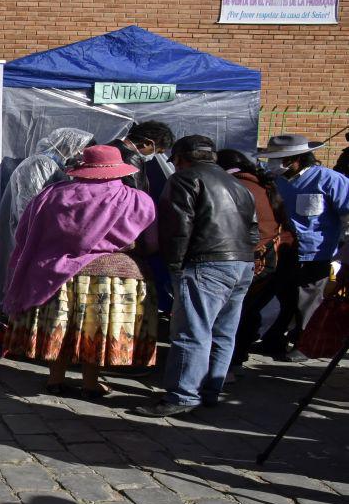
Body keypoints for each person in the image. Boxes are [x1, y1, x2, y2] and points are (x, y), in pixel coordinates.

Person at [4, 145, 158, 398]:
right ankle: (90, 382)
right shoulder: (137, 199)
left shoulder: (52, 195)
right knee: (95, 329)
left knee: (63, 326)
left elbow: (26, 232)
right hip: (115, 275)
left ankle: (55, 378)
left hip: (57, 273)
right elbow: (151, 243)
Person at [133, 135, 258, 418]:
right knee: (223, 332)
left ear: (180, 159)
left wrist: (175, 266)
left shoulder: (185, 179)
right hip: (240, 263)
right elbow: (252, 230)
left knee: (192, 331)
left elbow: (177, 226)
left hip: (205, 262)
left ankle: (183, 395)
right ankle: (210, 390)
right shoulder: (238, 184)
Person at [258, 134, 349, 362]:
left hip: (315, 252)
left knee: (307, 300)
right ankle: (275, 339)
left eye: (279, 159)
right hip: (282, 250)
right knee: (285, 297)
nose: (274, 164)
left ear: (295, 159)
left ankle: (305, 344)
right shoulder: (276, 182)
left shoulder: (329, 180)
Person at [216, 149, 296, 376]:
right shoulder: (260, 185)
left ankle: (226, 365)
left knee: (235, 313)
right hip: (272, 256)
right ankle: (236, 357)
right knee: (246, 311)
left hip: (254, 258)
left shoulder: (237, 187)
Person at [0, 128, 94, 271]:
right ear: (70, 146)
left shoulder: (53, 166)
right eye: (82, 151)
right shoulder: (40, 164)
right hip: (31, 241)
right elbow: (29, 207)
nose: (81, 157)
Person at [107, 121, 175, 193]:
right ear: (147, 143)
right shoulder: (132, 160)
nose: (154, 156)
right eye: (158, 152)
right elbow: (135, 196)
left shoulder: (109, 146)